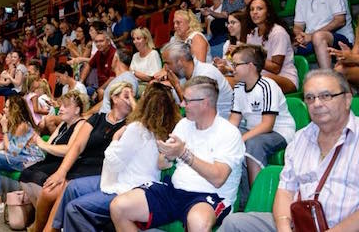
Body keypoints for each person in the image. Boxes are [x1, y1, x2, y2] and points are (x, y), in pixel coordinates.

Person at [220, 69, 359, 232]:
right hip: (298, 224)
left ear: (347, 99)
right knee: (234, 223)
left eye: (326, 96)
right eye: (310, 98)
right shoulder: (301, 138)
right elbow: (285, 191)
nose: (317, 104)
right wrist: (284, 225)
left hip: (343, 226)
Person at [109, 76, 245, 232]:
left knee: (199, 222)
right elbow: (161, 164)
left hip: (210, 195)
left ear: (204, 103)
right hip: (175, 190)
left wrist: (184, 154)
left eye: (187, 101)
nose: (182, 104)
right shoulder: (184, 124)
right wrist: (167, 155)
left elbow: (218, 178)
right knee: (118, 207)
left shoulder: (229, 133)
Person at [54, 83, 181, 232]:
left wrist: (115, 139)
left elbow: (113, 162)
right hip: (127, 179)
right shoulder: (167, 128)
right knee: (72, 188)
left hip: (128, 186)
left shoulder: (137, 128)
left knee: (74, 209)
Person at [32, 82, 132, 232]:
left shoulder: (131, 125)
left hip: (102, 172)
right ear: (115, 98)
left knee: (65, 189)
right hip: (81, 166)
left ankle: (48, 230)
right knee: (48, 191)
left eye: (133, 96)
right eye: (127, 96)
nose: (131, 100)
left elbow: (143, 122)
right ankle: (36, 229)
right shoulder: (96, 119)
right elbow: (77, 147)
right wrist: (61, 172)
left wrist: (132, 101)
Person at [228, 45, 296, 205]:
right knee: (230, 140)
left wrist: (242, 138)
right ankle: (242, 200)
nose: (232, 69)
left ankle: (257, 200)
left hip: (279, 131)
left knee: (252, 144)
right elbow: (234, 121)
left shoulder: (267, 85)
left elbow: (267, 125)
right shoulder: (238, 88)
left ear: (250, 66)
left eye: (236, 64)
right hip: (254, 130)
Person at [20, 91, 87, 208]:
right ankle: (39, 215)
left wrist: (42, 144)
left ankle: (46, 216)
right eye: (61, 105)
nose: (60, 109)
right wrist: (35, 141)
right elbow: (49, 144)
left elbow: (69, 150)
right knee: (25, 174)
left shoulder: (82, 124)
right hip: (51, 161)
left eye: (65, 106)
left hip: (65, 164)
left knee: (37, 176)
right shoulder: (63, 124)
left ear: (77, 110)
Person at [294, 0, 354, 69]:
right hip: (309, 40)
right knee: (284, 42)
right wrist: (299, 36)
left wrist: (311, 36)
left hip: (339, 39)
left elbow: (340, 20)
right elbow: (298, 26)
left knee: (318, 37)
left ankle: (328, 78)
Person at [154, 42, 233, 118]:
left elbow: (195, 110)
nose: (165, 68)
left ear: (180, 61)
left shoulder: (206, 73)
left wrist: (177, 86)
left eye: (167, 63)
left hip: (220, 121)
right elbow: (178, 105)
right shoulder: (182, 75)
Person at [246, 0, 298, 93]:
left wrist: (251, 55)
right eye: (252, 9)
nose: (254, 12)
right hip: (260, 77)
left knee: (258, 80)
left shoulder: (278, 32)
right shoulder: (252, 33)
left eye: (259, 9)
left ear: (268, 12)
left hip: (285, 78)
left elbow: (276, 68)